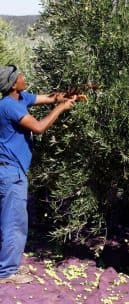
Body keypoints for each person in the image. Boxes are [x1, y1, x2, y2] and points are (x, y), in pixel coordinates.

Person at [0, 64, 76, 284]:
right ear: (13, 84)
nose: (24, 78)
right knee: (14, 222)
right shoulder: (9, 106)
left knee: (12, 219)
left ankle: (8, 267)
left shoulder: (20, 98)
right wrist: (61, 109)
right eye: (21, 76)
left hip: (11, 170)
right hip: (10, 172)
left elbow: (48, 98)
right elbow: (39, 127)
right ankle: (6, 273)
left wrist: (65, 97)